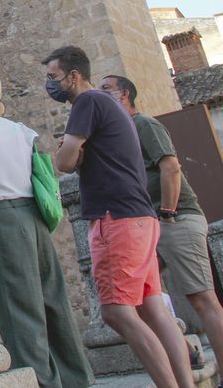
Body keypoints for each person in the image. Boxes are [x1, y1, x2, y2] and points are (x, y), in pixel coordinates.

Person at [46, 46, 194, 388]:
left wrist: (71, 152)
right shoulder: (111, 105)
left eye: (53, 77)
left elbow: (64, 162)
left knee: (116, 312)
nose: (49, 84)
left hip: (116, 219)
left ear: (74, 75)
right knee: (153, 310)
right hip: (140, 216)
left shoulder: (86, 102)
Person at [0, 70, 90, 387]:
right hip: (34, 217)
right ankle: (76, 378)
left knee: (16, 306)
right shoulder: (23, 131)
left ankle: (38, 380)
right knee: (52, 299)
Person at [100, 74, 223, 362]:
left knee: (203, 300)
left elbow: (170, 166)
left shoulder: (144, 124)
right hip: (146, 226)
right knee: (143, 301)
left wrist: (168, 211)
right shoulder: (120, 133)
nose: (100, 94)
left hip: (175, 219)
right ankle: (186, 352)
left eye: (107, 89)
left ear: (124, 95)